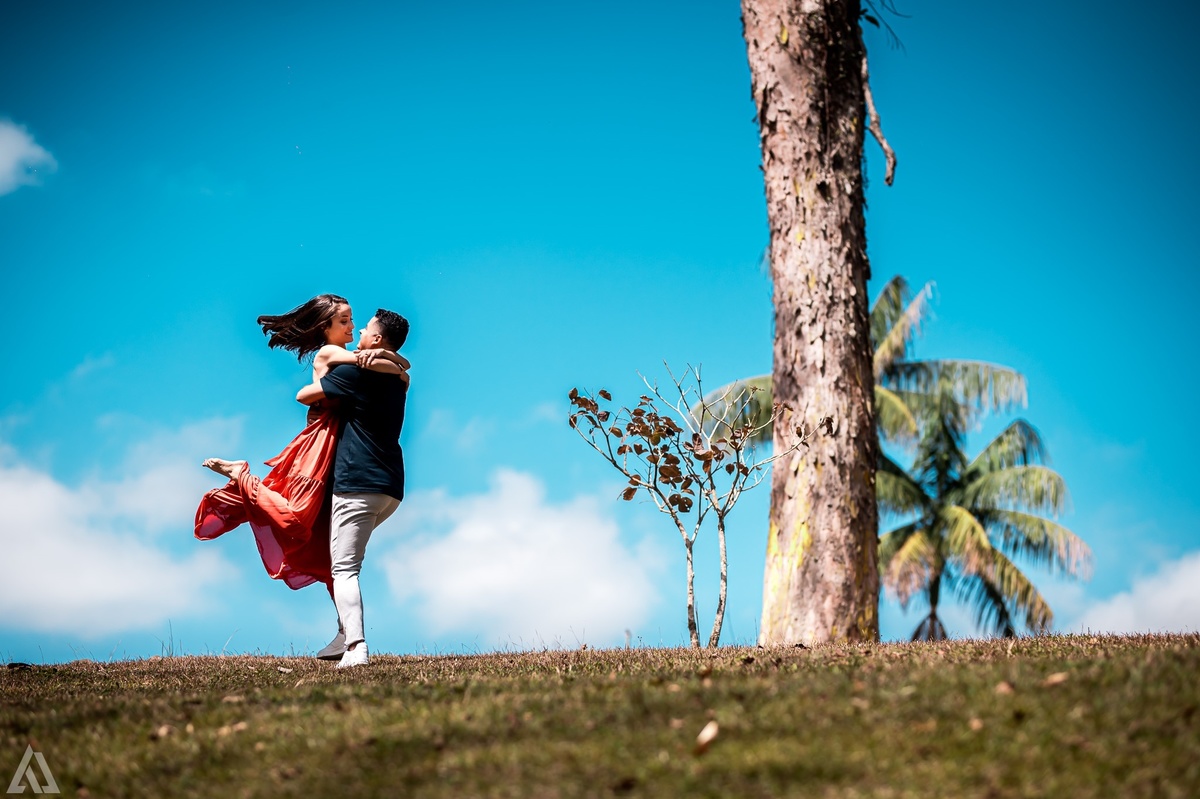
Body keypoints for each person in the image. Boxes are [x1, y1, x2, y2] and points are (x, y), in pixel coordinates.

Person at [194, 294, 408, 661]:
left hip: (345, 461)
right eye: (344, 320)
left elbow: (391, 369)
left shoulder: (361, 370)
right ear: (325, 327)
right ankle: (242, 476)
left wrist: (390, 359)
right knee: (308, 530)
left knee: (334, 558)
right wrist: (393, 359)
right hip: (325, 448)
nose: (353, 327)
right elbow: (305, 394)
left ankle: (349, 640)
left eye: (357, 322)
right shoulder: (338, 360)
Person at [295, 308, 410, 669]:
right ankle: (344, 632)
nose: (357, 329)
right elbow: (403, 368)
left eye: (364, 328)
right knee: (341, 557)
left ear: (375, 340)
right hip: (390, 488)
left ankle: (355, 646)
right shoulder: (401, 379)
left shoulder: (350, 373)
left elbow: (305, 395)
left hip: (356, 482)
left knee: (344, 569)